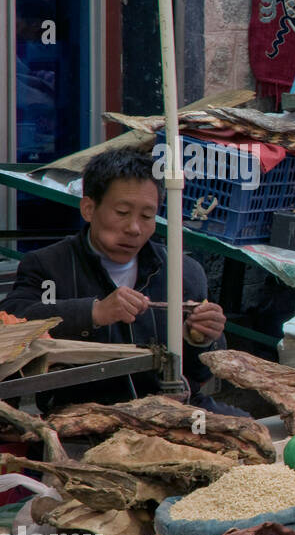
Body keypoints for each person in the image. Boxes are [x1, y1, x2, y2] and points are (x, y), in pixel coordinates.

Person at [0, 149, 239, 413]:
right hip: (85, 415)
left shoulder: (183, 272)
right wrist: (94, 312)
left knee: (249, 432)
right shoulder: (48, 265)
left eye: (147, 216)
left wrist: (203, 339)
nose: (134, 228)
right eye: (122, 212)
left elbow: (200, 373)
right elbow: (13, 321)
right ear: (89, 208)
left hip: (170, 411)